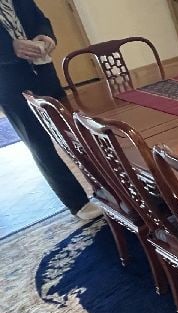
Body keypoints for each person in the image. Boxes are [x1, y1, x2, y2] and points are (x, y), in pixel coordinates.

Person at [0, 0, 100, 220]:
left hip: (43, 71)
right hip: (8, 83)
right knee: (39, 144)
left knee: (72, 131)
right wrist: (10, 48)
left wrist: (47, 37)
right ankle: (77, 203)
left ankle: (104, 187)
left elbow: (40, 20)